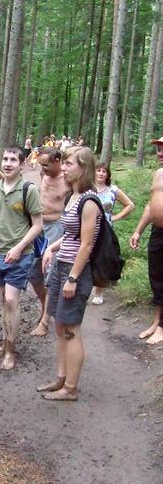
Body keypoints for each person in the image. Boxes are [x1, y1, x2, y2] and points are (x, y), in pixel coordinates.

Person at [37, 146, 102, 401]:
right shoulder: (73, 197)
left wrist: (73, 278)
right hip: (62, 263)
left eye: (69, 164)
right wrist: (52, 248)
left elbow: (86, 244)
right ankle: (61, 379)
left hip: (76, 270)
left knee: (72, 328)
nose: (63, 168)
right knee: (60, 324)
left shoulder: (89, 200)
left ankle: (71, 389)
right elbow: (71, 235)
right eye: (63, 163)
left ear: (83, 168)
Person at [0, 145, 43, 371]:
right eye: (5, 158)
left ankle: (10, 350)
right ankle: (5, 341)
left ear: (22, 164)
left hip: (20, 255)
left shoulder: (29, 190)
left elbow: (38, 226)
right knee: (2, 301)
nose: (7, 163)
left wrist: (19, 247)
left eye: (13, 160)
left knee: (11, 300)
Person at [29, 147, 71, 336]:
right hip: (38, 227)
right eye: (41, 165)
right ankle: (46, 308)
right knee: (33, 274)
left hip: (56, 227)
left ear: (57, 161)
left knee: (51, 275)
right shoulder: (43, 174)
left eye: (46, 164)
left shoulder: (68, 179)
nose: (43, 168)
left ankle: (45, 322)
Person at [130, 137, 163, 345]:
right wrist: (138, 231)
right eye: (158, 149)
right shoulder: (158, 174)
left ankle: (161, 327)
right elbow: (151, 207)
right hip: (157, 232)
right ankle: (156, 321)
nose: (159, 153)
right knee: (156, 277)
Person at [91, 161, 135, 305]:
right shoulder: (88, 189)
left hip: (105, 231)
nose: (101, 173)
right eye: (99, 170)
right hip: (88, 229)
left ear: (108, 175)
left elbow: (130, 205)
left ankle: (99, 291)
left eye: (104, 171)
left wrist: (115, 217)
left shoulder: (113, 190)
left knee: (101, 260)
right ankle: (83, 287)